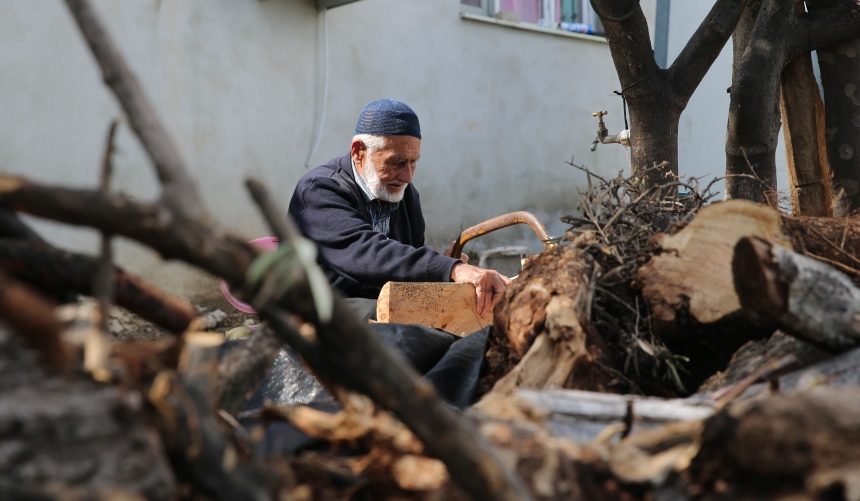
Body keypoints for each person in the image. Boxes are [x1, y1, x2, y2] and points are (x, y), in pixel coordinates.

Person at [288, 99, 511, 318]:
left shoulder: (404, 193)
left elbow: (401, 266)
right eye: (397, 161)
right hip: (315, 309)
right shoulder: (319, 190)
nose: (407, 175)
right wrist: (450, 268)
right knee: (399, 323)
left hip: (377, 304)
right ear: (358, 152)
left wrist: (438, 275)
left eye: (413, 162)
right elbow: (367, 254)